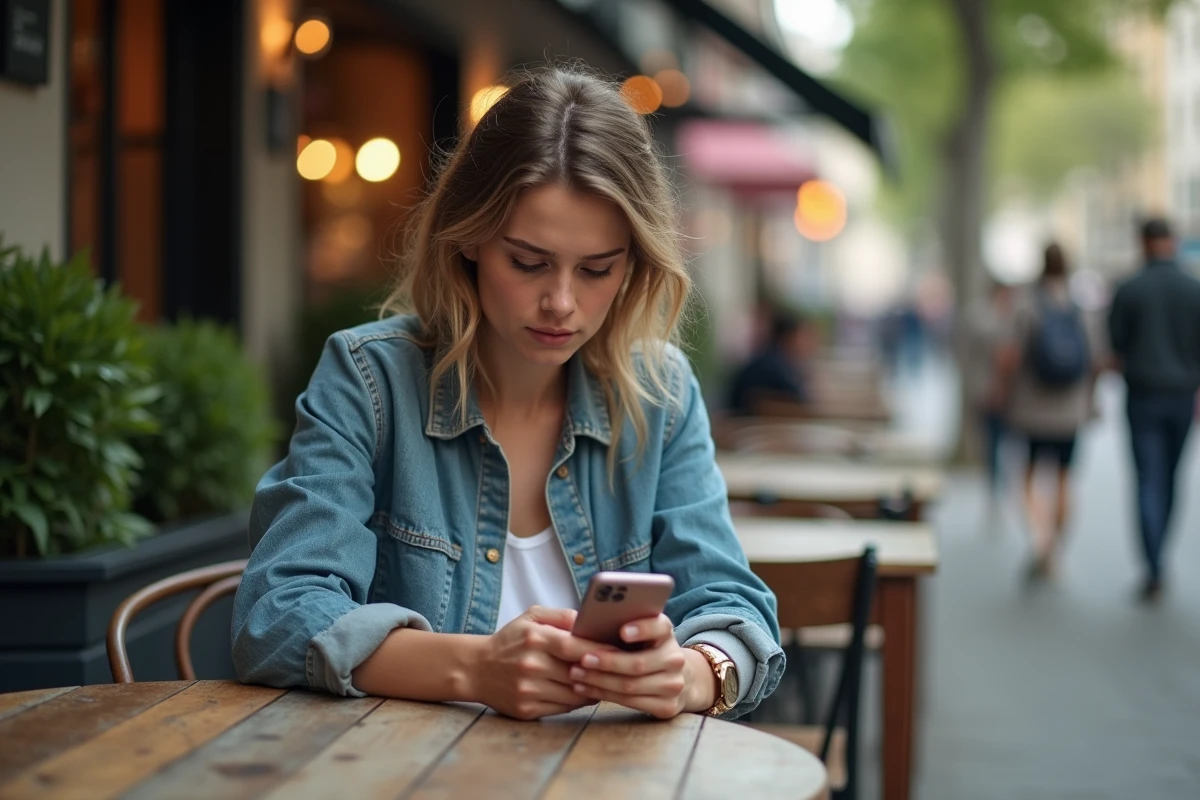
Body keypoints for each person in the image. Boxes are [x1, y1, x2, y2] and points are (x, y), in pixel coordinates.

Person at [231, 67, 783, 722]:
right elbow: (277, 613)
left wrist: (689, 675)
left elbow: (734, 607)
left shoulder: (658, 394)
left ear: (634, 264)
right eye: (528, 262)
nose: (561, 302)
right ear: (468, 238)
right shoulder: (370, 381)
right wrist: (473, 667)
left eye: (597, 270)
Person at [1108, 217, 1200, 602]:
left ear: (1143, 242)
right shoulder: (1194, 289)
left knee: (1148, 478)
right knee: (1171, 478)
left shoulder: (1129, 289)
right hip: (1182, 395)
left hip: (1143, 395)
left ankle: (1153, 564)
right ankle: (1160, 554)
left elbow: (1116, 344)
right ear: (1173, 242)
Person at [1000, 243, 1101, 580]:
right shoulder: (1080, 307)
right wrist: (1091, 401)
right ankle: (1055, 549)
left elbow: (1011, 357)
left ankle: (1041, 543)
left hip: (1032, 409)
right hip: (1069, 410)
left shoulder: (1027, 305)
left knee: (1027, 477)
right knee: (1063, 480)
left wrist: (1002, 391)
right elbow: (1095, 359)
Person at [963, 279, 1016, 519]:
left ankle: (1004, 489)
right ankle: (995, 491)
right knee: (991, 444)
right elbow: (966, 356)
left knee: (1007, 445)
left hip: (1012, 398)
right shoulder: (979, 317)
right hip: (986, 393)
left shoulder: (1015, 316)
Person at [728, 311, 816, 415]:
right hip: (744, 425)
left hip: (745, 424)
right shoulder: (773, 365)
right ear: (788, 337)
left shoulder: (769, 358)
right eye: (802, 337)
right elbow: (800, 399)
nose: (807, 344)